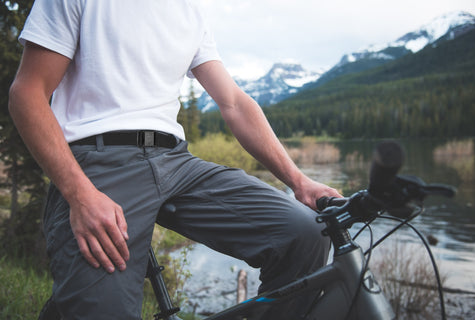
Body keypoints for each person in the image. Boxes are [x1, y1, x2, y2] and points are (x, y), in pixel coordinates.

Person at [8, 0, 341, 319]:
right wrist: (79, 194)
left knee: (304, 234)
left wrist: (299, 181)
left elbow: (234, 103)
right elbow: (27, 93)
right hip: (99, 164)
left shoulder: (188, 8)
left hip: (176, 162)